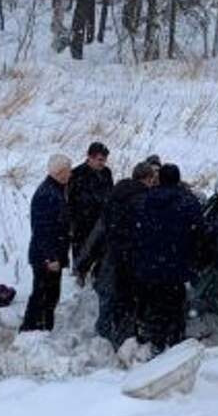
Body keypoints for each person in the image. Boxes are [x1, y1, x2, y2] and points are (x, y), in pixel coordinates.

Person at [77, 162, 156, 349]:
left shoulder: (114, 196)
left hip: (110, 259)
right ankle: (124, 343)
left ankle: (103, 340)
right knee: (129, 304)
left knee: (110, 301)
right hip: (132, 261)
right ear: (148, 179)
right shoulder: (145, 200)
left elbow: (99, 231)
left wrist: (83, 262)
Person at [131, 163, 204, 354]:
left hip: (149, 265)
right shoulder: (187, 201)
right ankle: (174, 344)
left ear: (159, 179)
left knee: (154, 304)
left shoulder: (145, 200)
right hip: (176, 266)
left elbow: (136, 230)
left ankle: (155, 342)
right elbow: (200, 232)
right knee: (175, 306)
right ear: (178, 179)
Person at [20, 154, 72, 332]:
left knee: (49, 295)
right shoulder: (48, 195)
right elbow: (43, 230)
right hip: (45, 257)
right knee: (43, 295)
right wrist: (51, 257)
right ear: (59, 172)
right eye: (68, 171)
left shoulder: (55, 189)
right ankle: (32, 330)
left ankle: (42, 329)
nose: (70, 174)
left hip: (48, 254)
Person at [68, 142, 113, 284]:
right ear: (90, 157)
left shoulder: (106, 172)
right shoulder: (76, 174)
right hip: (82, 220)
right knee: (82, 249)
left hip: (101, 219)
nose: (103, 163)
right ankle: (79, 273)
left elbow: (110, 193)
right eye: (100, 160)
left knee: (101, 249)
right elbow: (70, 199)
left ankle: (97, 274)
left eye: (104, 160)